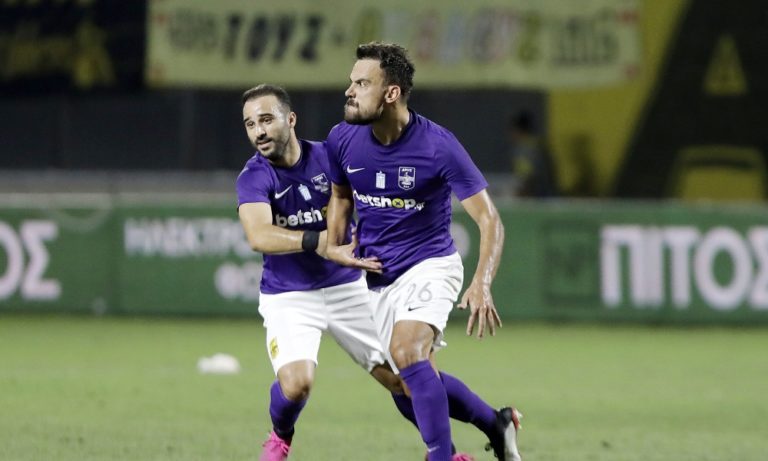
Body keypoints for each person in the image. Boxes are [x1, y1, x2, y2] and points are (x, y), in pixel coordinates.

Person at [236, 84, 477, 461]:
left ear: (291, 119)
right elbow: (259, 235)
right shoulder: (253, 176)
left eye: (266, 120)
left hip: (348, 286)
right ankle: (281, 436)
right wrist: (323, 242)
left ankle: (461, 443)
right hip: (289, 294)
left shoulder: (328, 156)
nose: (259, 131)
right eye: (251, 124)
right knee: (297, 385)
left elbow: (369, 195)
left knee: (404, 376)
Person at [324, 43, 523, 461]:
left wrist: (482, 282)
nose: (349, 91)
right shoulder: (342, 139)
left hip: (430, 265)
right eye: (351, 82)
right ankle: (496, 423)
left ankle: (441, 456)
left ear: (391, 93)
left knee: (407, 351)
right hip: (377, 276)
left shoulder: (438, 145)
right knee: (404, 384)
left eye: (361, 83)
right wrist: (334, 246)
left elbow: (490, 220)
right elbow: (341, 196)